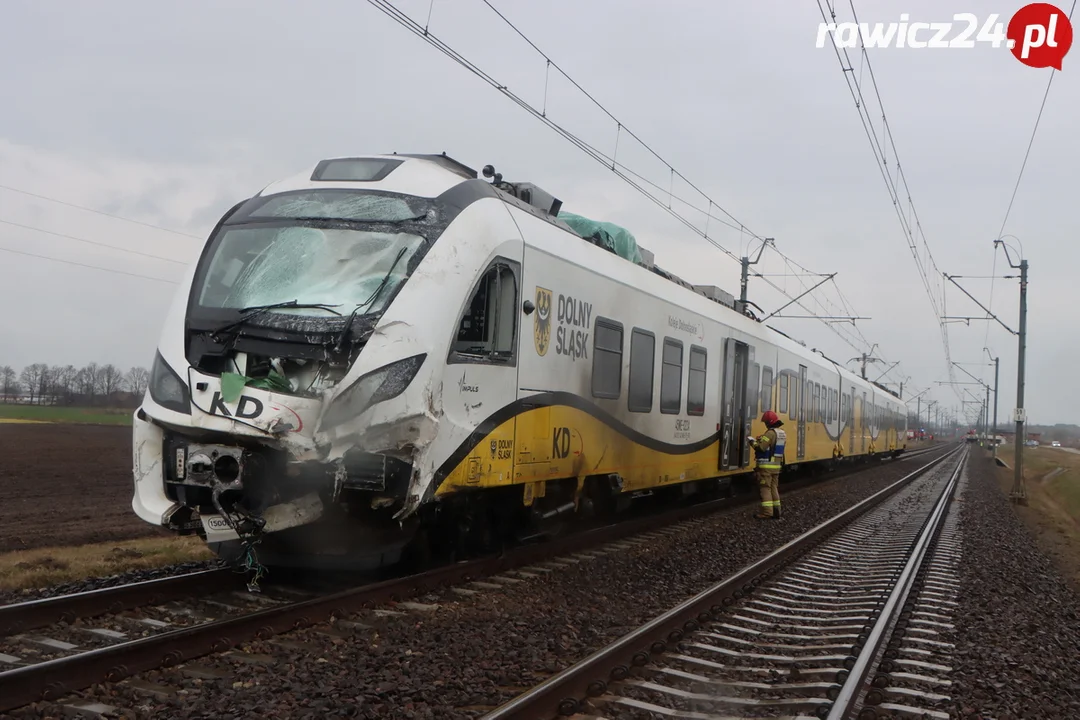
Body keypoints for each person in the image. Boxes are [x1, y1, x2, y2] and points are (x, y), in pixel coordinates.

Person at [748, 410, 786, 519]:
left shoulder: (770, 433)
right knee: (774, 488)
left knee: (765, 488)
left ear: (769, 422)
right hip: (776, 466)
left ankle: (767, 513)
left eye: (765, 422)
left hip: (766, 467)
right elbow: (774, 447)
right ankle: (777, 511)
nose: (765, 424)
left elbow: (761, 448)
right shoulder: (781, 433)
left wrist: (752, 442)